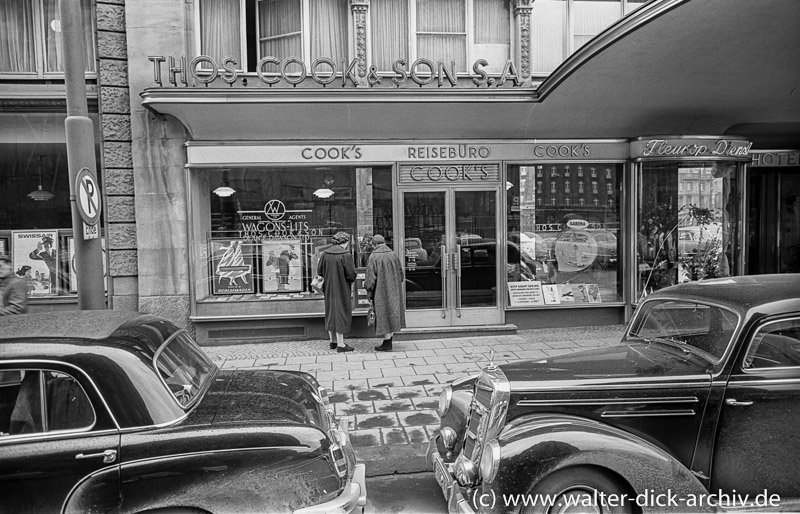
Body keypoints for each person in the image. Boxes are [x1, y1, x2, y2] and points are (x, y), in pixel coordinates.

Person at [364, 234, 406, 352]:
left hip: (380, 291)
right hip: (394, 290)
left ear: (374, 244)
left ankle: (387, 342)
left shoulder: (373, 257)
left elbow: (370, 280)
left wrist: (369, 292)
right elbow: (401, 274)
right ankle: (389, 339)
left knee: (384, 314)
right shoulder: (393, 254)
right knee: (392, 312)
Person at [317, 231, 357, 352]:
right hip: (342, 288)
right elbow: (351, 275)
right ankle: (341, 344)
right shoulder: (345, 254)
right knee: (341, 313)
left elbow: (319, 272)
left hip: (328, 288)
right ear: (345, 242)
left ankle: (332, 342)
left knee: (330, 312)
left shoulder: (325, 254)